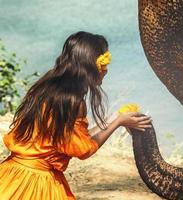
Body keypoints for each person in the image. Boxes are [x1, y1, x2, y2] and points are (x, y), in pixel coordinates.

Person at [0, 31, 152, 200]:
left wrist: (116, 117)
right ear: (91, 66)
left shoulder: (45, 88)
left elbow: (78, 138)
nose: (106, 70)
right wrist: (118, 122)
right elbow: (84, 150)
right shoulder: (74, 103)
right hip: (37, 183)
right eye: (104, 64)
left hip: (11, 173)